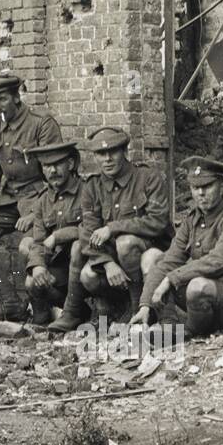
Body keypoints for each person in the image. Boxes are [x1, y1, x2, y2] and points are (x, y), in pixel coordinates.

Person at [133, 155, 223, 336]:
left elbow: (216, 261)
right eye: (195, 188)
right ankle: (168, 323)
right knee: (154, 258)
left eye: (207, 186)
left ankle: (187, 332)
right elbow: (170, 260)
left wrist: (170, 279)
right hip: (204, 294)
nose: (200, 193)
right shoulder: (193, 219)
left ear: (222, 186)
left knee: (197, 285)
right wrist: (145, 304)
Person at [0, 73, 62, 317]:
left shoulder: (41, 123)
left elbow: (56, 177)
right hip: (9, 200)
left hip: (39, 199)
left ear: (16, 97)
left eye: (2, 99)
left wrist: (35, 214)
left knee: (30, 242)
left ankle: (35, 301)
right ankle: (6, 298)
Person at [77, 127, 173, 321]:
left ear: (125, 152)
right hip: (115, 258)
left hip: (152, 250)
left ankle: (139, 306)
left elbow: (158, 222)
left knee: (126, 243)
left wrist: (113, 227)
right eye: (101, 154)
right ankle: (113, 309)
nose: (107, 159)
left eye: (113, 152)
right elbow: (88, 232)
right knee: (87, 275)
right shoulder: (92, 187)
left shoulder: (148, 178)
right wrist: (107, 263)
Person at [18, 141, 94, 329]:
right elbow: (37, 240)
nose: (52, 171)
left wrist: (58, 236)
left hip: (88, 264)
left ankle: (72, 313)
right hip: (61, 270)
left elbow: (90, 229)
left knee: (77, 246)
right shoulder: (43, 200)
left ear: (69, 164)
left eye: (57, 164)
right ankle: (43, 318)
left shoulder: (87, 191)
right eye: (46, 166)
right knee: (31, 281)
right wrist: (38, 266)